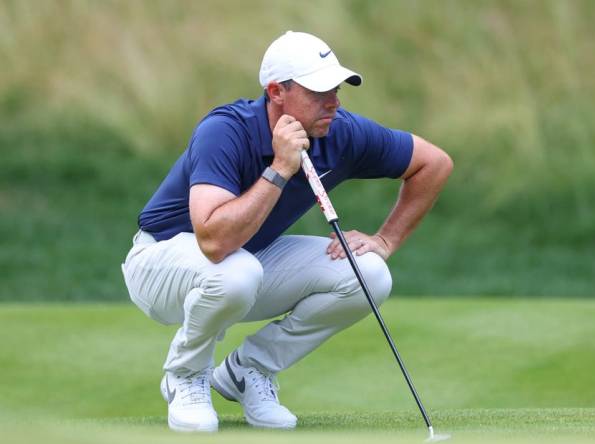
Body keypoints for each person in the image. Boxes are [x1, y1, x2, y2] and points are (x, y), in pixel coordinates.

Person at [121, 30, 452, 433]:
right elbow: (213, 241)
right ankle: (187, 374)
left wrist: (385, 240)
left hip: (245, 262)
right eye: (318, 92)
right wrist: (279, 168)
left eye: (336, 89)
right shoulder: (226, 131)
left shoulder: (340, 132)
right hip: (160, 265)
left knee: (369, 274)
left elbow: (434, 164)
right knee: (235, 271)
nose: (334, 102)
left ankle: (247, 371)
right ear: (276, 91)